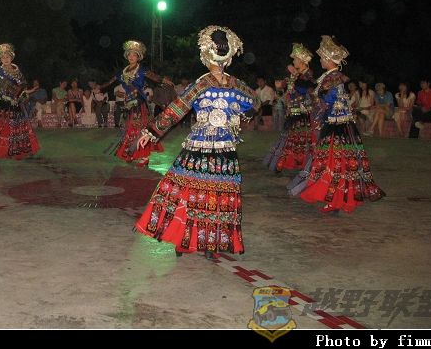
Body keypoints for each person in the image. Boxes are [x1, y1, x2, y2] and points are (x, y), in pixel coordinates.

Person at [135, 26, 257, 256]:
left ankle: (184, 239)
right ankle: (209, 243)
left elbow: (177, 109)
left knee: (189, 193)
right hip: (225, 150)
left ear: (207, 56)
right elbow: (255, 103)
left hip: (199, 148)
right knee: (217, 196)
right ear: (228, 57)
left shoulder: (202, 83)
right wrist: (241, 114)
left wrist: (151, 132)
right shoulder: (236, 85)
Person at [288, 36, 385, 213]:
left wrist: (314, 101)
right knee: (334, 162)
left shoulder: (333, 78)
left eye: (322, 58)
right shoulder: (330, 76)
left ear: (328, 59)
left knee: (335, 162)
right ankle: (335, 198)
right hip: (337, 124)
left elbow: (327, 100)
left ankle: (336, 199)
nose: (320, 60)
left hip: (336, 126)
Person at [98, 40, 172, 168]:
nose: (131, 57)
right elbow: (111, 81)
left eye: (134, 55)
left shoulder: (141, 70)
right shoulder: (123, 72)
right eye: (129, 54)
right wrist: (100, 87)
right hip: (128, 103)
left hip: (139, 103)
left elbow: (154, 77)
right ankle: (132, 152)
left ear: (138, 57)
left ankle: (144, 157)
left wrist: (165, 81)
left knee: (140, 128)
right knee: (129, 128)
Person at [263, 43, 316, 173]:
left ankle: (300, 162)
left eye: (295, 59)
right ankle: (287, 162)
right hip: (292, 109)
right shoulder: (294, 75)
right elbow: (287, 91)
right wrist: (281, 86)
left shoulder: (307, 73)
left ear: (302, 60)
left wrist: (294, 75)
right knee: (290, 136)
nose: (293, 62)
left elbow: (305, 89)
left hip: (302, 111)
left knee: (301, 136)